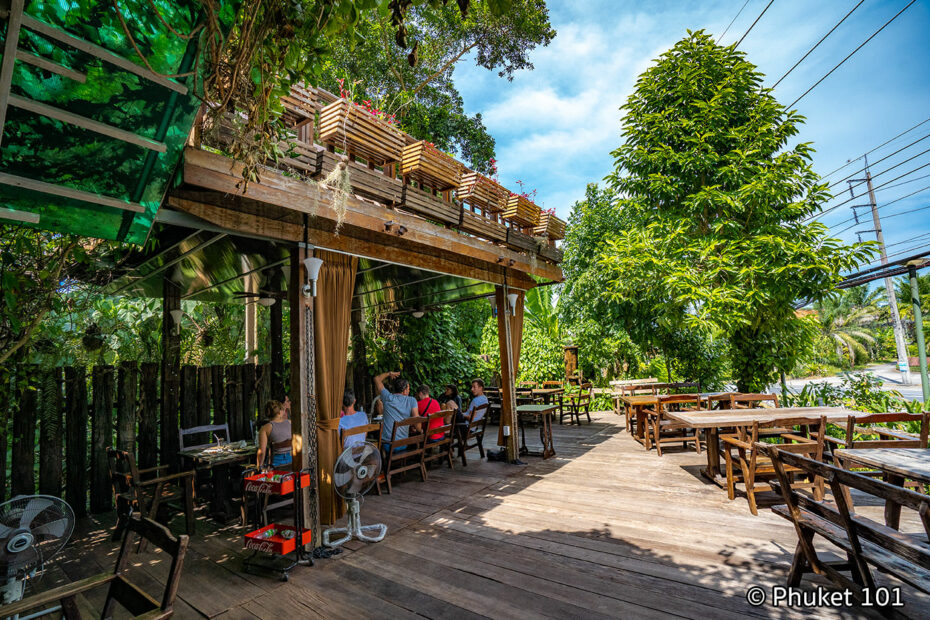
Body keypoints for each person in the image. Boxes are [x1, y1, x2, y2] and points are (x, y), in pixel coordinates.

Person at [374, 371, 418, 451]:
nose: (409, 391)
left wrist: (389, 374)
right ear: (404, 391)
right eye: (408, 389)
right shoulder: (412, 400)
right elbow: (417, 421)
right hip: (403, 444)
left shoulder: (387, 397)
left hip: (389, 445)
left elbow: (377, 379)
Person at [256, 397, 291, 468]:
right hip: (292, 462)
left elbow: (262, 452)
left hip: (275, 464)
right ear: (279, 412)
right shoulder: (290, 423)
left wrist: (259, 467)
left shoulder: (265, 428)